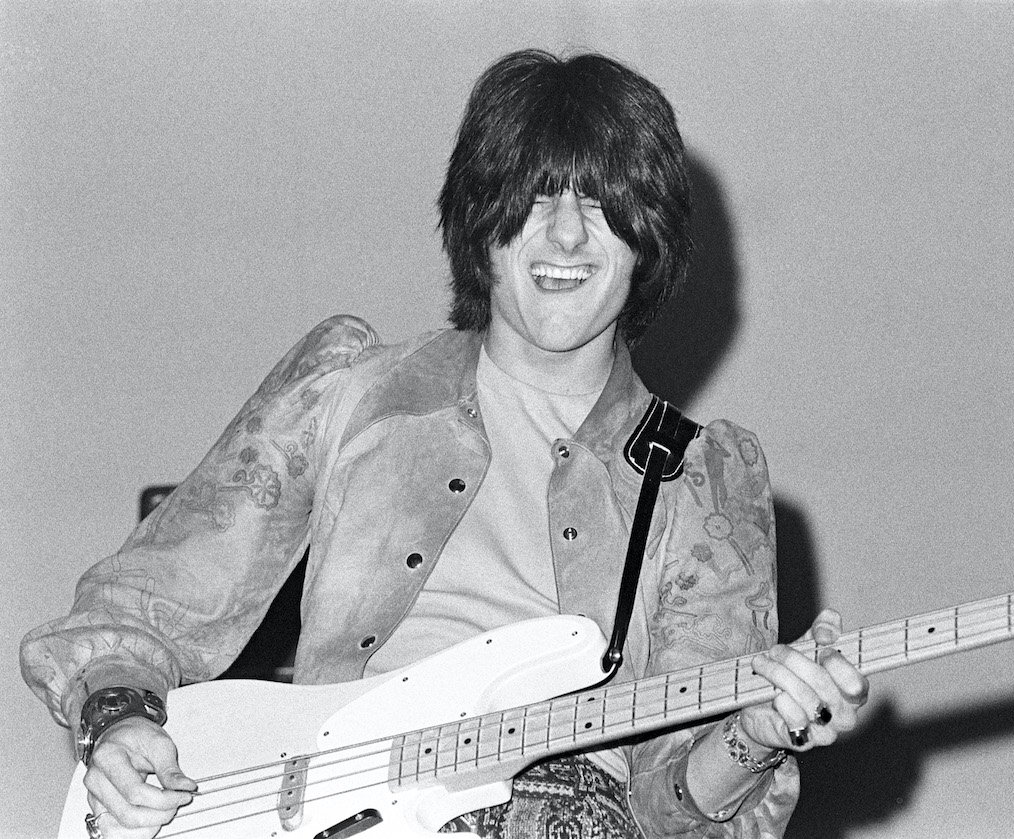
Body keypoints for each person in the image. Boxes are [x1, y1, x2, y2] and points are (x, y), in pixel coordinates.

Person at [21, 49, 868, 839]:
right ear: (480, 219)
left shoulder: (702, 479)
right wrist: (121, 720)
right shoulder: (350, 390)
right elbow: (138, 608)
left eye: (603, 203)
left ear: (648, 237)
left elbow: (673, 803)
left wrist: (757, 733)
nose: (567, 235)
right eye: (536, 197)